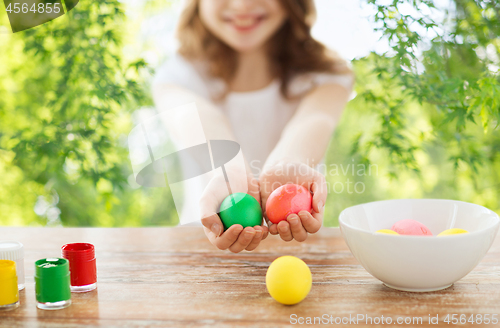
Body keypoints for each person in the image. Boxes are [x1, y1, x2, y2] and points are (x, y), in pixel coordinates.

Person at [152, 0, 354, 253]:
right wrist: (229, 171)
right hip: (199, 253)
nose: (241, 5)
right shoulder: (177, 74)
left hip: (301, 254)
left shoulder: (327, 73)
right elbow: (197, 118)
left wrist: (285, 164)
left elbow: (313, 121)